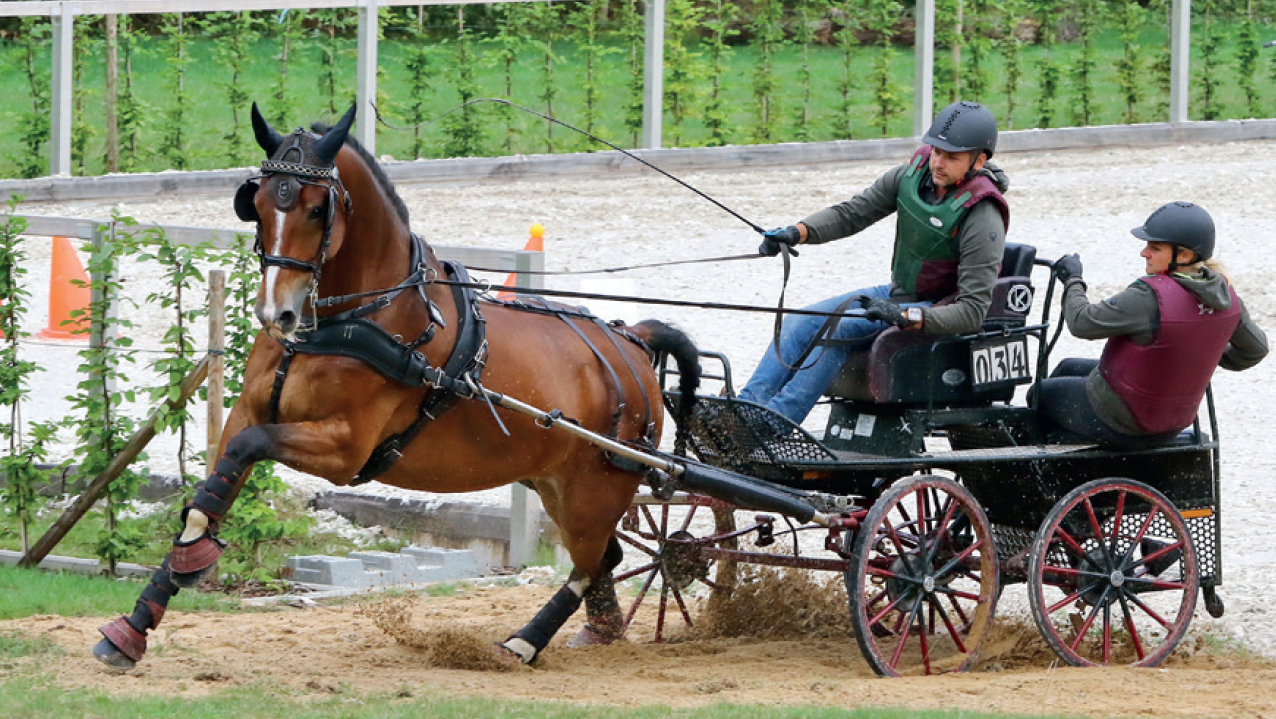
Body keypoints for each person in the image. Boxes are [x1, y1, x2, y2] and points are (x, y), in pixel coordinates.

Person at [737, 101, 1010, 423]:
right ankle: (744, 410)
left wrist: (907, 315)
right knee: (801, 320)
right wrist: (797, 232)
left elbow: (971, 312)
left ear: (979, 160)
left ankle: (773, 423)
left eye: (952, 157)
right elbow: (853, 213)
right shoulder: (911, 176)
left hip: (933, 308)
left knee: (838, 328)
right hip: (897, 294)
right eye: (935, 151)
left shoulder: (983, 214)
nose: (938, 162)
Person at [1039, 201, 1267, 446]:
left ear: (1185, 255)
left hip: (1123, 421)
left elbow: (1081, 322)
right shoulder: (1227, 295)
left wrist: (1073, 280)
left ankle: (1058, 462)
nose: (1144, 252)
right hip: (1172, 420)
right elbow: (1256, 349)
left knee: (1039, 393)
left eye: (1155, 248)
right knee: (1066, 367)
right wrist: (1199, 357)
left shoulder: (1148, 296)